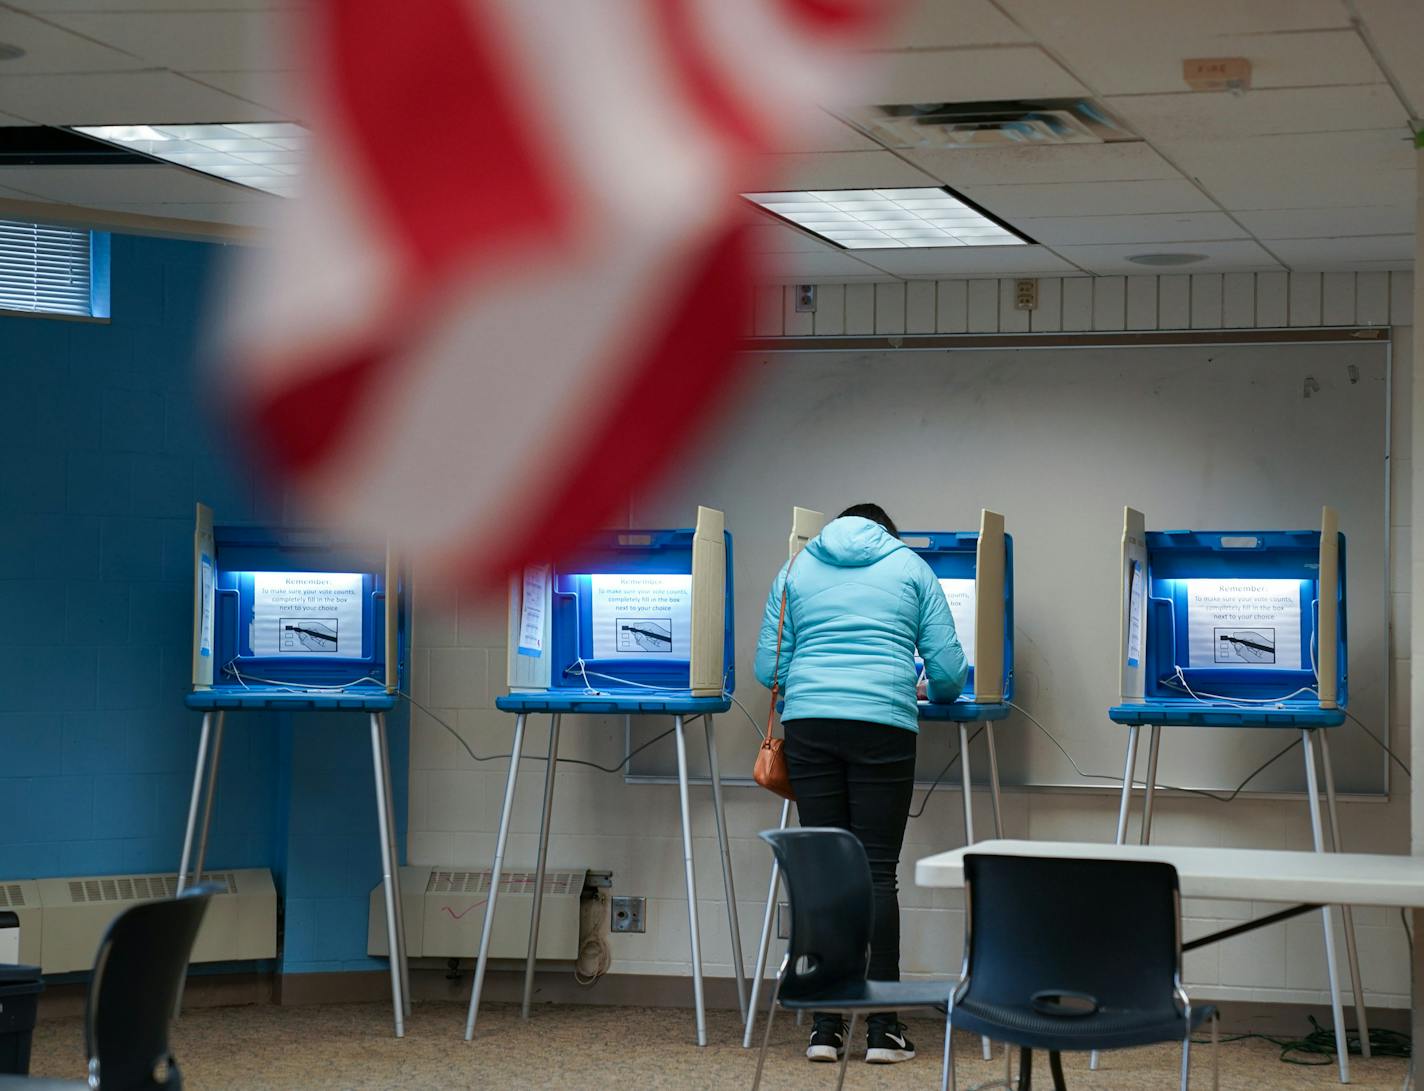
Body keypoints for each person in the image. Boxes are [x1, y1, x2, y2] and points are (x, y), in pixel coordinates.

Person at [755, 503, 967, 1066]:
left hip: (811, 727)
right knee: (877, 871)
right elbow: (948, 672)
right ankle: (883, 1031)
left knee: (827, 872)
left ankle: (825, 1028)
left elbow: (767, 669)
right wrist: (930, 691)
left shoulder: (796, 568)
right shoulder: (911, 568)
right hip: (883, 725)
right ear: (887, 535)